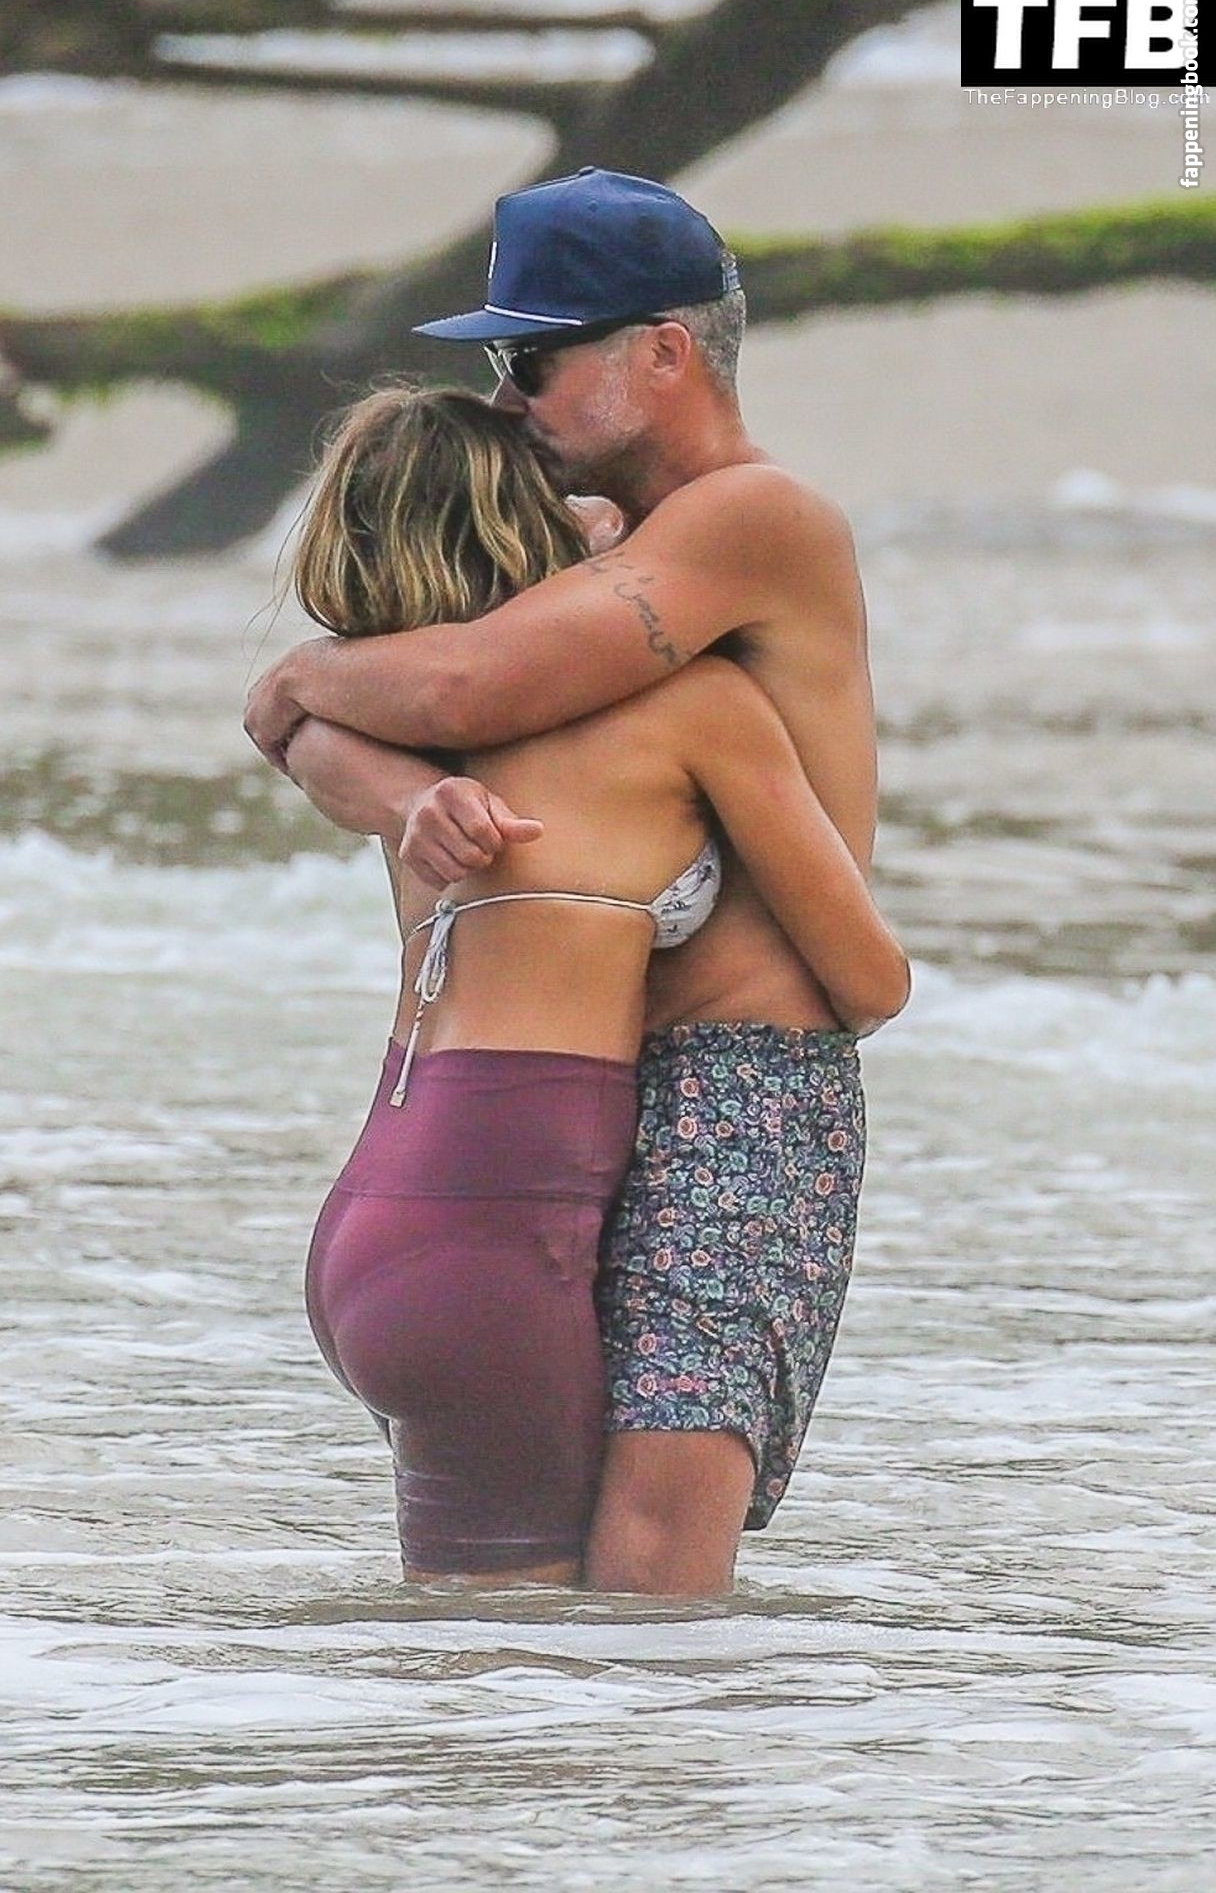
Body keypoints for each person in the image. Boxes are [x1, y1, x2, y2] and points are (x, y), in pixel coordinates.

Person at [246, 168, 894, 1595]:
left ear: (663, 352)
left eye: (535, 360)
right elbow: (428, 707)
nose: (508, 395)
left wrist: (294, 683)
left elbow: (464, 684)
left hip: (738, 1080)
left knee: (646, 1563)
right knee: (552, 1593)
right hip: (585, 1099)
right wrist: (339, 738)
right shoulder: (611, 555)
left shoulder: (754, 513)